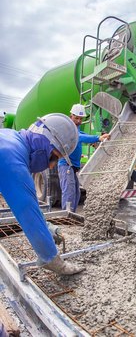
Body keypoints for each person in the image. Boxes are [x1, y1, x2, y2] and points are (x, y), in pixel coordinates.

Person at [0, 113, 85, 275]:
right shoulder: (11, 158)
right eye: (54, 157)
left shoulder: (11, 138)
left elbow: (25, 203)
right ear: (44, 142)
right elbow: (27, 212)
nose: (52, 166)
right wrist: (52, 259)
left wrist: (48, 228)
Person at [58, 104, 110, 212]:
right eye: (76, 118)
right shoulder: (67, 127)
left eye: (81, 119)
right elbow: (78, 136)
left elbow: (81, 134)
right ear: (71, 116)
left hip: (74, 166)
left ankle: (72, 215)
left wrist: (93, 141)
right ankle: (66, 217)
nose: (79, 121)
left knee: (76, 193)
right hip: (66, 165)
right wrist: (97, 138)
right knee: (69, 193)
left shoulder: (76, 128)